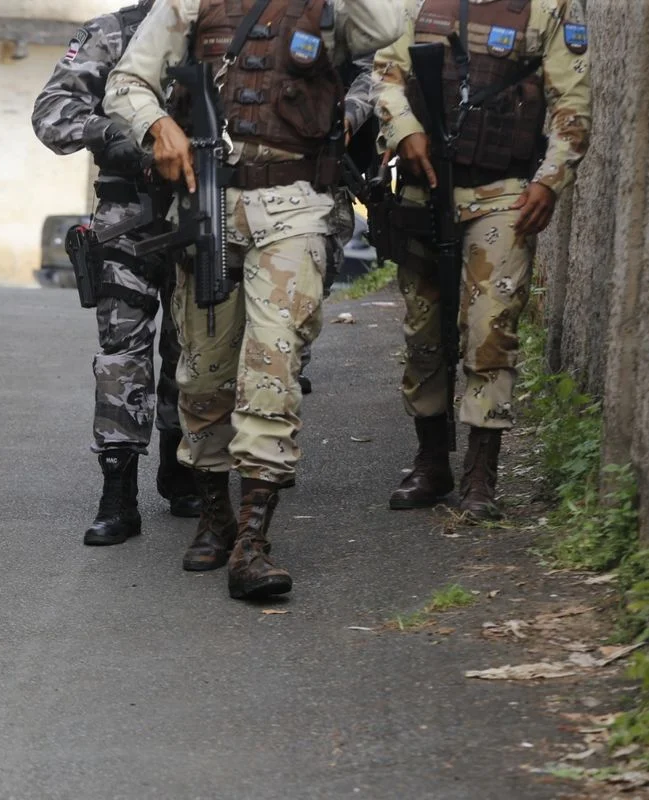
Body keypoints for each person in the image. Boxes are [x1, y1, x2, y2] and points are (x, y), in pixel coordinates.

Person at [104, 0, 402, 598]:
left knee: (273, 364)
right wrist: (156, 125)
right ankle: (215, 515)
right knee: (202, 375)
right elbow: (127, 82)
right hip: (208, 201)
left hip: (296, 206)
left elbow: (390, 24)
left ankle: (252, 540)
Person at [375, 0, 592, 520]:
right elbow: (385, 76)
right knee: (424, 334)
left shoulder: (548, 9)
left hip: (503, 193)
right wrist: (404, 128)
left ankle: (480, 474)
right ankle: (432, 462)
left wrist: (550, 179)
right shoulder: (417, 3)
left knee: (489, 329)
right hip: (425, 191)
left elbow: (572, 102)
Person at [32, 0, 204, 548]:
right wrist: (112, 134)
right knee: (122, 353)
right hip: (127, 216)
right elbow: (52, 111)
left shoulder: (225, 28)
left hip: (203, 211)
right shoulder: (114, 32)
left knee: (191, 347)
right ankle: (118, 492)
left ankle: (182, 470)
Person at [299, 54, 378, 395]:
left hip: (330, 167)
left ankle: (292, 358)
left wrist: (347, 118)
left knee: (322, 267)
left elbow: (373, 71)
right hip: (266, 162)